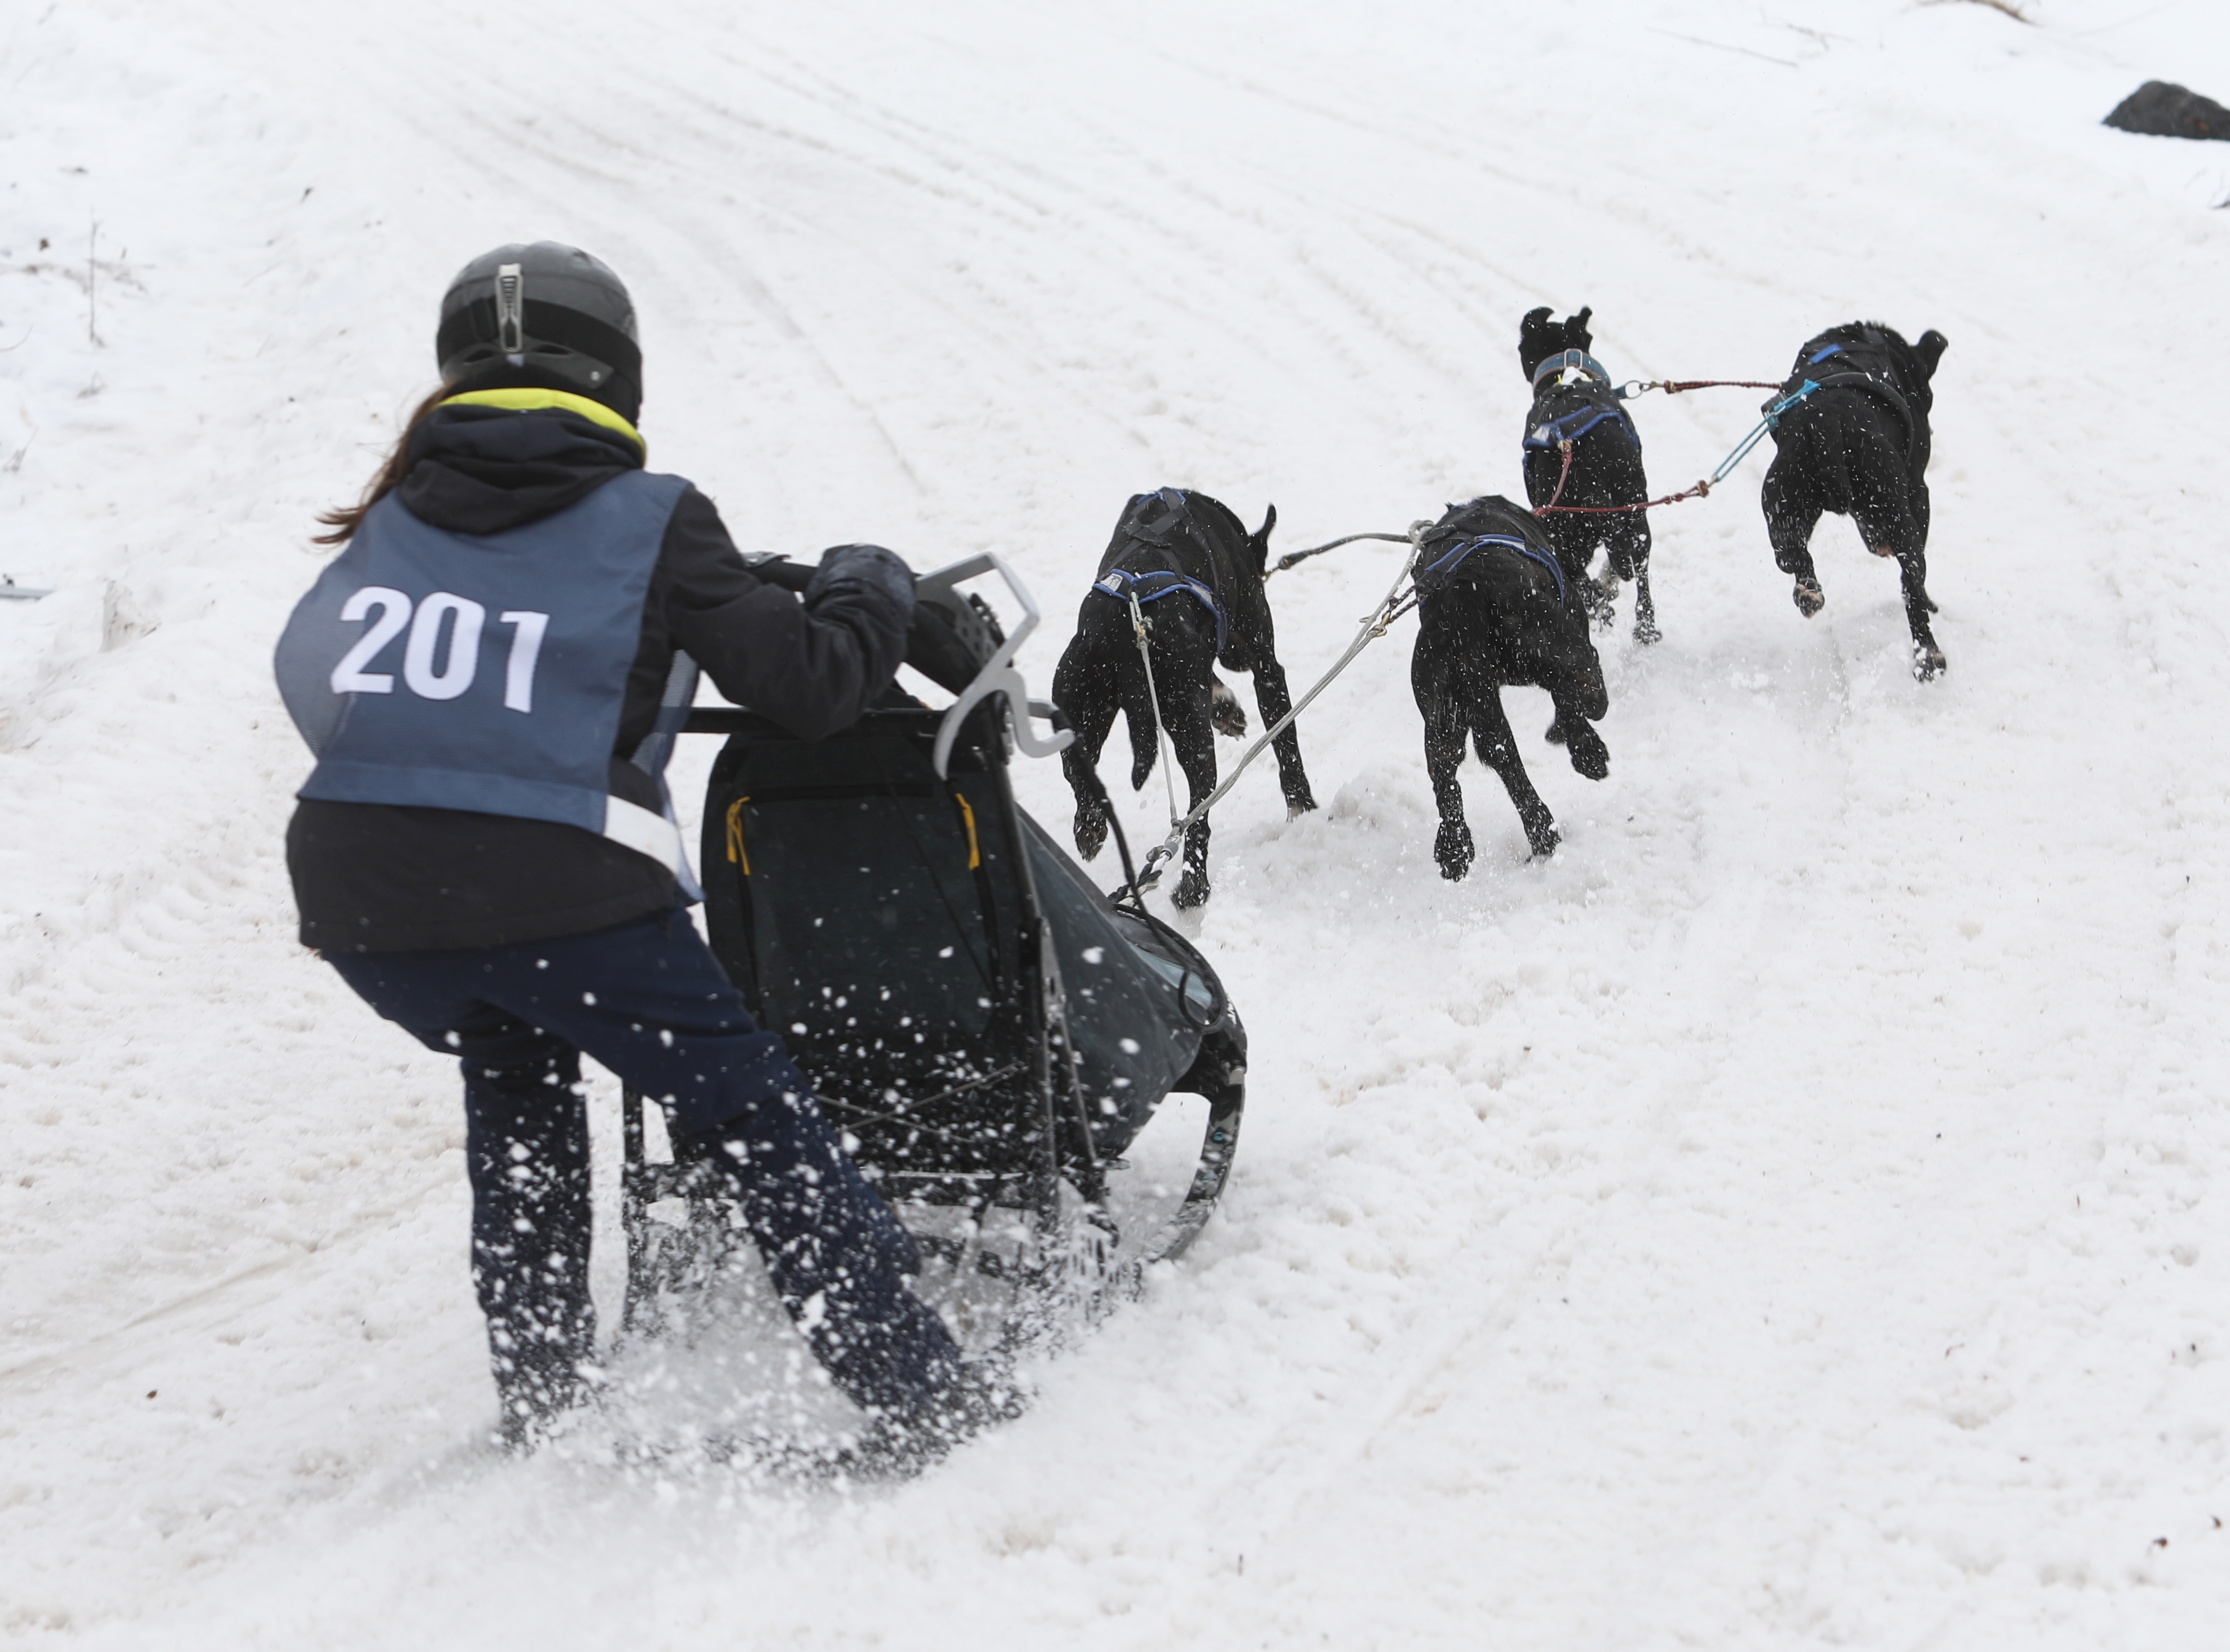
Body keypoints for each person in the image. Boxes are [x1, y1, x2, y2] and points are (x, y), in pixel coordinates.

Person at [274, 242, 981, 1455]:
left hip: (365, 901)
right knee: (760, 1119)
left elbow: (312, 672)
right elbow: (811, 686)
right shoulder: (653, 517)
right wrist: (869, 580)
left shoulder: (395, 518)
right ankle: (924, 1396)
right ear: (616, 375)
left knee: (516, 1078)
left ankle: (542, 1390)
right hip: (560, 894)